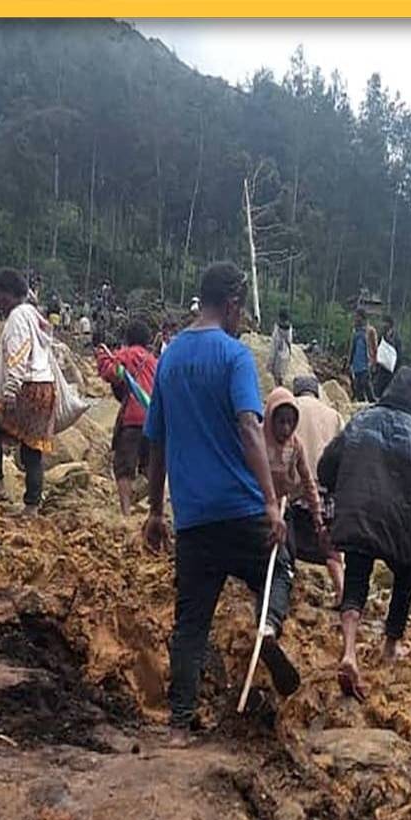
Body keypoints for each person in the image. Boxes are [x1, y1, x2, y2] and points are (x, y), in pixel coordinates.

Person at [142, 261, 300, 748]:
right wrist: (272, 504)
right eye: (243, 308)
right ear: (231, 304)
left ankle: (177, 725)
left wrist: (154, 511)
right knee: (282, 568)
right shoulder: (233, 357)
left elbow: (158, 444)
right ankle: (267, 627)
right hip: (242, 509)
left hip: (193, 518)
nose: (243, 317)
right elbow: (250, 428)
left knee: (190, 622)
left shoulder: (169, 359)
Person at [318, 367, 411, 702]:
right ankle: (390, 645)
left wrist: (335, 500)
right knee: (404, 579)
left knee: (356, 579)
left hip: (357, 514)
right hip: (398, 525)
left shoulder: (360, 420)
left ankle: (350, 651)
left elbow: (326, 463)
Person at [0, 269, 56, 514]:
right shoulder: (34, 314)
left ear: (10, 294)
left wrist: (10, 390)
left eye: (0, 296)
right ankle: (31, 506)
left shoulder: (17, 317)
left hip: (27, 387)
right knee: (32, 448)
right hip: (45, 387)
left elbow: (19, 353)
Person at [263, 387, 345, 604]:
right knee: (331, 552)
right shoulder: (333, 415)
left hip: (295, 499)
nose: (287, 428)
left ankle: (280, 593)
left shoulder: (288, 433)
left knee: (288, 549)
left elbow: (305, 479)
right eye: (282, 423)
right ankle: (341, 593)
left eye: (290, 423)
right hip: (323, 493)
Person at [96, 320, 158, 516]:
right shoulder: (154, 361)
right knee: (149, 464)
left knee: (124, 466)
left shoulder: (127, 355)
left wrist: (101, 356)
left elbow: (111, 373)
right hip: (153, 418)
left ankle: (125, 511)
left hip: (132, 418)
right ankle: (153, 508)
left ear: (128, 339)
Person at [346, 307, 378, 402]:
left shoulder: (370, 331)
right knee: (358, 386)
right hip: (357, 365)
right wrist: (349, 362)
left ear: (362, 318)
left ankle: (372, 402)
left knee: (366, 384)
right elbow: (352, 348)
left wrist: (374, 363)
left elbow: (374, 348)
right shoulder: (356, 332)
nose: (355, 319)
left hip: (366, 364)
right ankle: (361, 403)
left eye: (357, 317)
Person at [373, 313, 402, 398]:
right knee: (379, 390)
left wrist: (396, 368)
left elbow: (399, 354)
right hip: (382, 369)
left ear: (390, 324)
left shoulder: (396, 338)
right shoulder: (382, 336)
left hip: (392, 371)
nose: (383, 325)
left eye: (385, 323)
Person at [269, 309, 293, 388]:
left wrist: (270, 363)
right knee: (281, 375)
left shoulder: (277, 329)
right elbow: (289, 341)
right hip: (285, 352)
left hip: (278, 353)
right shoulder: (289, 328)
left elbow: (274, 345)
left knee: (276, 375)